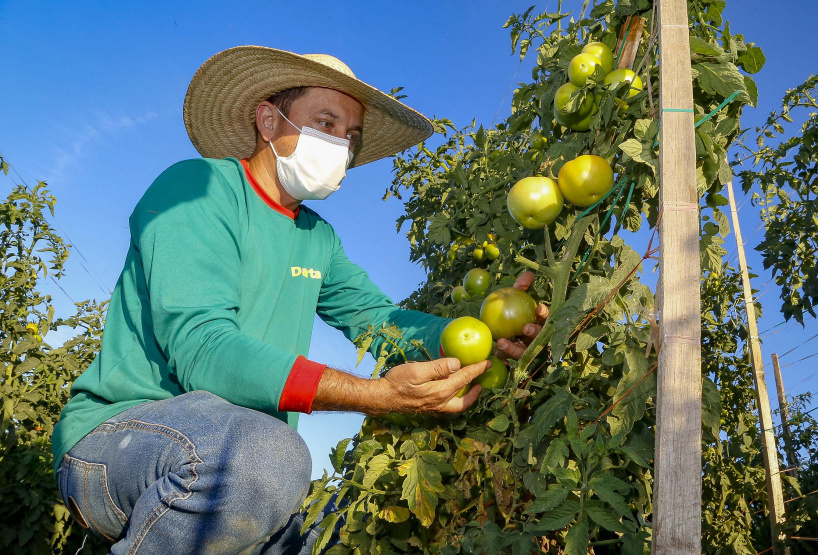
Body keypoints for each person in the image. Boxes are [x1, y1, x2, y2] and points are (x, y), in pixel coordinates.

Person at [51, 46, 546, 555]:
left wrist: (472, 335)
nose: (340, 147)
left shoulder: (317, 239)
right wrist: (375, 395)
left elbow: (377, 319)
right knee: (268, 455)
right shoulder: (198, 189)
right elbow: (203, 348)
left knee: (339, 530)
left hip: (235, 457)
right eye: (325, 123)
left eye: (350, 137)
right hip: (116, 441)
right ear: (269, 120)